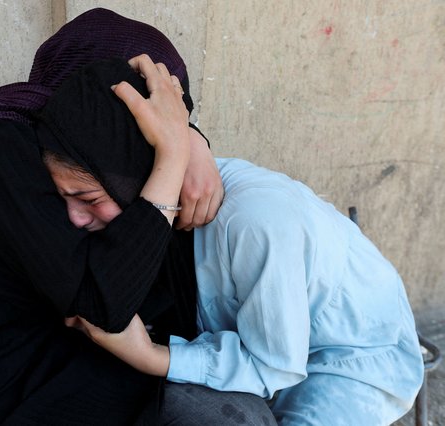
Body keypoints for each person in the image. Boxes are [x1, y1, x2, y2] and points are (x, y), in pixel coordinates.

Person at [36, 57, 425, 425]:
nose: (74, 217)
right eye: (63, 197)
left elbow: (273, 365)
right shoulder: (156, 196)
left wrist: (149, 355)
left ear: (131, 175)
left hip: (351, 359)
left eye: (88, 199)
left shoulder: (252, 224)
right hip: (269, 353)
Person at [0, 8, 229, 425]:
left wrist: (191, 139)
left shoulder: (104, 161)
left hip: (70, 369)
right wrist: (175, 154)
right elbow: (103, 303)